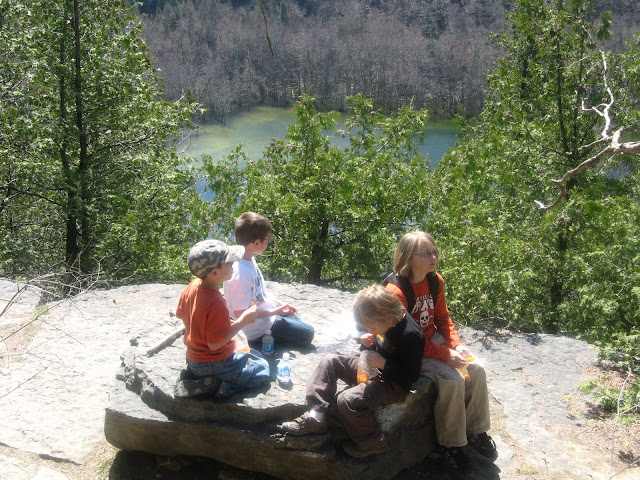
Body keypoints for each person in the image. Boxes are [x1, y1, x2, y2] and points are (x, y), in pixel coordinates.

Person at [385, 231, 497, 470]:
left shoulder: (435, 281)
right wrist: (446, 355)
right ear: (408, 257)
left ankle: (476, 431)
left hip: (430, 339)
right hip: (409, 348)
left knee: (476, 368)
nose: (433, 257)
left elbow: (443, 318)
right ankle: (452, 444)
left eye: (434, 252)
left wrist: (456, 344)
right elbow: (407, 340)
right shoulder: (396, 292)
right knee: (452, 379)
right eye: (425, 253)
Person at [279, 285, 425, 459]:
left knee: (348, 400)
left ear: (386, 319)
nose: (368, 330)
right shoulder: (386, 323)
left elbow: (410, 377)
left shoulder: (410, 336)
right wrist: (367, 343)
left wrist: (384, 364)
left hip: (394, 384)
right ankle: (316, 416)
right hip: (375, 367)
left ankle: (373, 443)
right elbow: (380, 342)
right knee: (331, 360)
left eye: (370, 327)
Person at [174, 239, 270, 399]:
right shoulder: (215, 302)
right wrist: (243, 321)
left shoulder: (194, 285)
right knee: (263, 369)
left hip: (193, 358)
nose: (234, 264)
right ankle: (218, 386)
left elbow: (180, 314)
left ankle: (193, 374)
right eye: (229, 263)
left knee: (256, 355)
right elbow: (214, 345)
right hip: (214, 362)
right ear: (214, 273)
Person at [224, 212, 314, 348]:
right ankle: (261, 343)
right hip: (257, 330)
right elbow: (240, 313)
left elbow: (260, 293)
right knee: (308, 333)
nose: (268, 242)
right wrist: (275, 312)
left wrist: (279, 304)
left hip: (267, 317)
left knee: (296, 317)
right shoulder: (240, 274)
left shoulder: (248, 258)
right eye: (267, 239)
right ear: (256, 242)